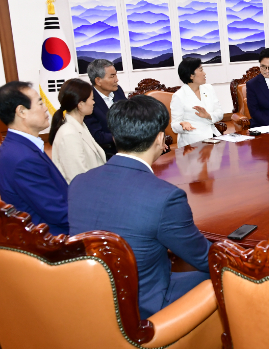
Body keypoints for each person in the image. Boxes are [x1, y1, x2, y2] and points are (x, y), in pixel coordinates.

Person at [69, 95, 211, 319]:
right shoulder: (165, 197)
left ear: (115, 137)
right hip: (143, 307)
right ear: (160, 139)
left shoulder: (79, 182)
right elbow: (202, 257)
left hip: (91, 299)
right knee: (220, 274)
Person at [0, 81, 69, 234]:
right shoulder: (23, 159)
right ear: (22, 111)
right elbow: (57, 213)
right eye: (40, 103)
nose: (45, 108)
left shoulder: (19, 146)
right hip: (54, 240)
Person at [49, 79, 106, 183]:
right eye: (92, 99)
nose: (94, 103)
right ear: (80, 104)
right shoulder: (69, 134)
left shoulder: (80, 125)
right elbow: (78, 177)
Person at [170, 57, 224, 148]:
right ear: (191, 76)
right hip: (192, 142)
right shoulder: (179, 96)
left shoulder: (209, 88)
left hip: (213, 136)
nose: (204, 73)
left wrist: (208, 116)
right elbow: (174, 125)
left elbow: (220, 113)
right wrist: (182, 124)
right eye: (201, 70)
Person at [84, 59, 127, 159]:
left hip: (129, 144)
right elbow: (98, 136)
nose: (116, 80)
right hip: (109, 150)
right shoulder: (88, 100)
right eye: (112, 76)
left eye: (116, 75)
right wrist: (124, 137)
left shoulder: (117, 90)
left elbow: (130, 114)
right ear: (98, 80)